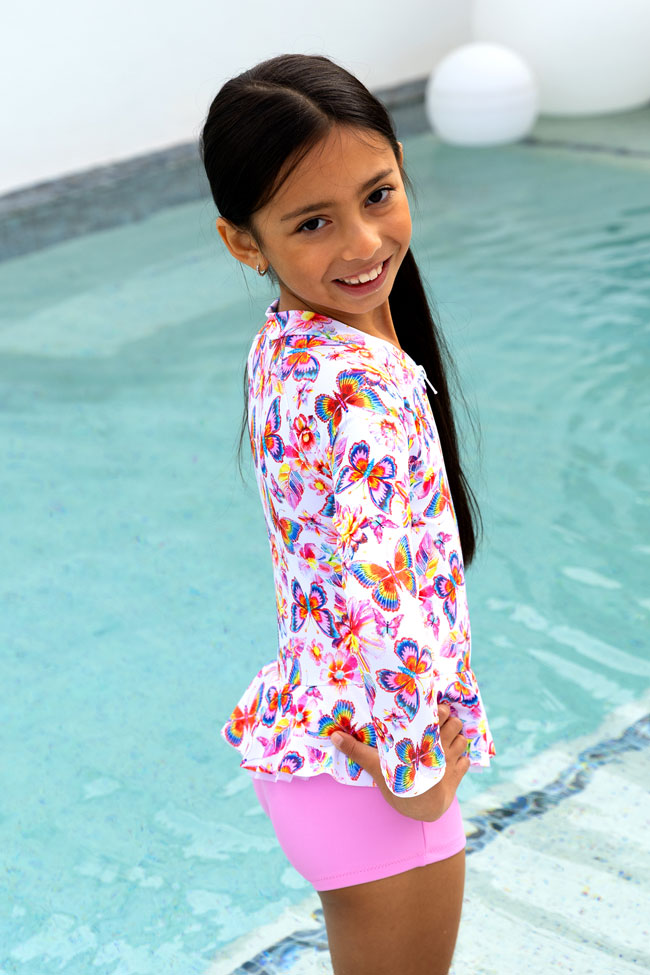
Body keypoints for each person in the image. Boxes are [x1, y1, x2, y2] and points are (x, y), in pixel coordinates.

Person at [199, 53, 496, 975]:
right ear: (244, 243)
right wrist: (416, 776)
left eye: (378, 195)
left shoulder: (289, 343)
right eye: (314, 222)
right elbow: (380, 590)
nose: (364, 244)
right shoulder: (362, 389)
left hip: (321, 742)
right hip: (377, 771)